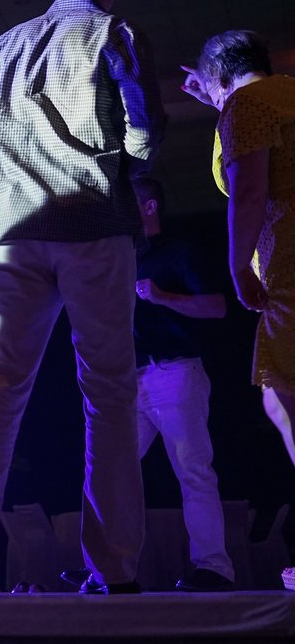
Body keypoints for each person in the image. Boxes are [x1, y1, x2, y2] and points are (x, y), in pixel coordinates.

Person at [0, 0, 164, 595]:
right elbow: (146, 138)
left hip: (16, 237)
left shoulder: (1, 46)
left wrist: (1, 200)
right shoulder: (116, 33)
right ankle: (115, 564)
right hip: (94, 226)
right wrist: (129, 154)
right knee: (108, 391)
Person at [183, 32, 295, 593]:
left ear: (220, 74)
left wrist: (237, 266)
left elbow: (249, 191)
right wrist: (218, 100)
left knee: (283, 395)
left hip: (290, 263)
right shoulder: (283, 94)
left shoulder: (246, 106)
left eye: (204, 81)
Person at [126, 176, 234, 592]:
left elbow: (218, 306)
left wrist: (163, 296)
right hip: (129, 380)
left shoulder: (181, 253)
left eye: (128, 203)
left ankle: (214, 568)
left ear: (150, 207)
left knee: (192, 470)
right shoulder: (122, 259)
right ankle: (107, 568)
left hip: (175, 372)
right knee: (111, 473)